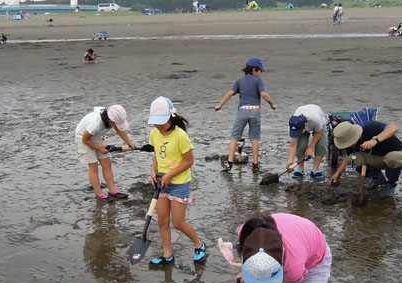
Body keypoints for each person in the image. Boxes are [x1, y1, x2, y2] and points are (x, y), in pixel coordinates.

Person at [147, 96, 206, 265]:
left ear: (171, 118)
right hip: (161, 183)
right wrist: (153, 171)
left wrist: (170, 175)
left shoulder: (180, 136)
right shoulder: (154, 133)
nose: (158, 126)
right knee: (162, 221)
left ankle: (199, 245)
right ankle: (168, 255)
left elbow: (189, 161)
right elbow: (157, 155)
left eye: (161, 122)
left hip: (179, 184)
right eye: (156, 122)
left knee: (178, 223)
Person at [215, 57, 277, 171]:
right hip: (255, 110)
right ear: (254, 70)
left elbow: (229, 93)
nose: (261, 73)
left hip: (243, 110)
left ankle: (229, 162)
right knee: (255, 138)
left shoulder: (240, 81)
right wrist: (271, 104)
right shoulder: (258, 81)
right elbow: (264, 94)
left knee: (234, 136)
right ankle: (255, 163)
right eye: (260, 70)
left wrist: (220, 105)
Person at [329, 119, 402, 197]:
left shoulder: (371, 127)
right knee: (353, 159)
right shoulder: (351, 146)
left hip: (399, 156)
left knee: (391, 158)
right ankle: (377, 178)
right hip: (378, 159)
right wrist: (337, 173)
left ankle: (390, 184)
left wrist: (375, 140)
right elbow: (348, 158)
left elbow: (393, 128)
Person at [75, 104, 135, 200]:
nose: (116, 126)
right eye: (115, 124)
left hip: (97, 136)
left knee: (107, 164)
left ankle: (112, 190)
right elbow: (85, 139)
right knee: (93, 167)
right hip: (83, 138)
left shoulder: (112, 118)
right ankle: (99, 194)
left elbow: (119, 130)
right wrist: (100, 149)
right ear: (110, 121)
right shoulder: (96, 124)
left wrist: (129, 143)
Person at [287, 104, 328, 179]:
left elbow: (318, 133)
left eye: (299, 131)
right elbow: (293, 145)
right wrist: (290, 162)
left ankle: (315, 169)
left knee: (321, 145)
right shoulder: (293, 125)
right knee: (301, 145)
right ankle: (300, 169)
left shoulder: (315, 119)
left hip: (318, 122)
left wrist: (311, 148)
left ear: (306, 125)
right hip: (302, 119)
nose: (297, 134)